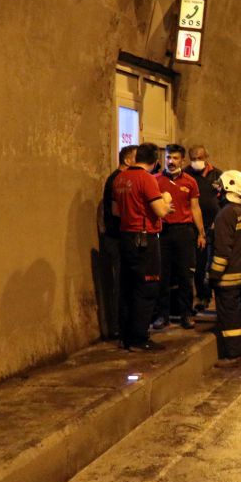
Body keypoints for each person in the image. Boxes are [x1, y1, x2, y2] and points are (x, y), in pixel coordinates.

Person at [112, 142, 171, 351]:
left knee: (128, 287)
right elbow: (161, 211)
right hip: (144, 239)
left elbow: (116, 211)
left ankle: (126, 336)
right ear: (155, 162)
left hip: (126, 237)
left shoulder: (120, 178)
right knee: (147, 288)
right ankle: (139, 338)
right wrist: (166, 201)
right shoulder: (146, 179)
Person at [152, 144, 206, 330]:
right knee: (162, 276)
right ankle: (162, 315)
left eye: (175, 158)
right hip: (163, 232)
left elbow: (195, 208)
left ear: (182, 160)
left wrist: (201, 232)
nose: (171, 161)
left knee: (185, 275)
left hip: (184, 232)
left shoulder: (190, 181)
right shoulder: (155, 180)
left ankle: (186, 314)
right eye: (168, 157)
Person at [209, 170, 241, 363]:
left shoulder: (225, 215)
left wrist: (213, 275)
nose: (217, 189)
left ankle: (235, 355)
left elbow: (222, 251)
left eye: (220, 185)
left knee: (230, 317)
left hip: (228, 277)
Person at [97, 144, 137, 340]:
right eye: (137, 159)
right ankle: (118, 327)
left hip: (118, 237)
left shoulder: (120, 178)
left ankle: (122, 325)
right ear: (128, 160)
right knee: (120, 284)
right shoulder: (118, 180)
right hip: (118, 238)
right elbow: (116, 210)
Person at [186, 146, 222, 312]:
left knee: (211, 263)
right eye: (193, 158)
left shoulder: (217, 175)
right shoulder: (186, 174)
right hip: (193, 226)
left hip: (212, 225)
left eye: (199, 158)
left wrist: (219, 219)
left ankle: (213, 294)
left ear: (206, 157)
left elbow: (223, 199)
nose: (196, 161)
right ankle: (202, 296)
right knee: (199, 264)